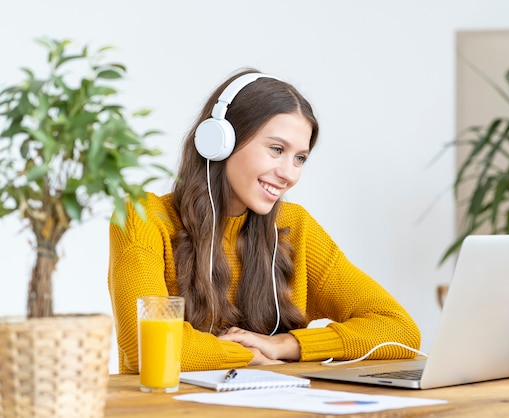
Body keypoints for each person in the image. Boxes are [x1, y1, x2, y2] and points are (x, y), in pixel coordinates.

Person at [107, 68, 421, 373]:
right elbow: (146, 346)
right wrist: (249, 357)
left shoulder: (294, 226)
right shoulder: (143, 217)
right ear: (221, 142)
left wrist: (287, 345)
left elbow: (399, 328)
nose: (289, 174)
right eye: (276, 149)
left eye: (300, 158)